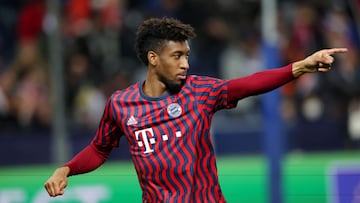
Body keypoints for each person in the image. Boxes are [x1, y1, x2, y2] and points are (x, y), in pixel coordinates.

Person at [44, 17, 347, 202]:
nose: (185, 64)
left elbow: (249, 84)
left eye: (187, 55)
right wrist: (66, 168)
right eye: (177, 56)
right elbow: (99, 149)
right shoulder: (121, 105)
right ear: (153, 59)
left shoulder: (200, 91)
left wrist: (301, 66)